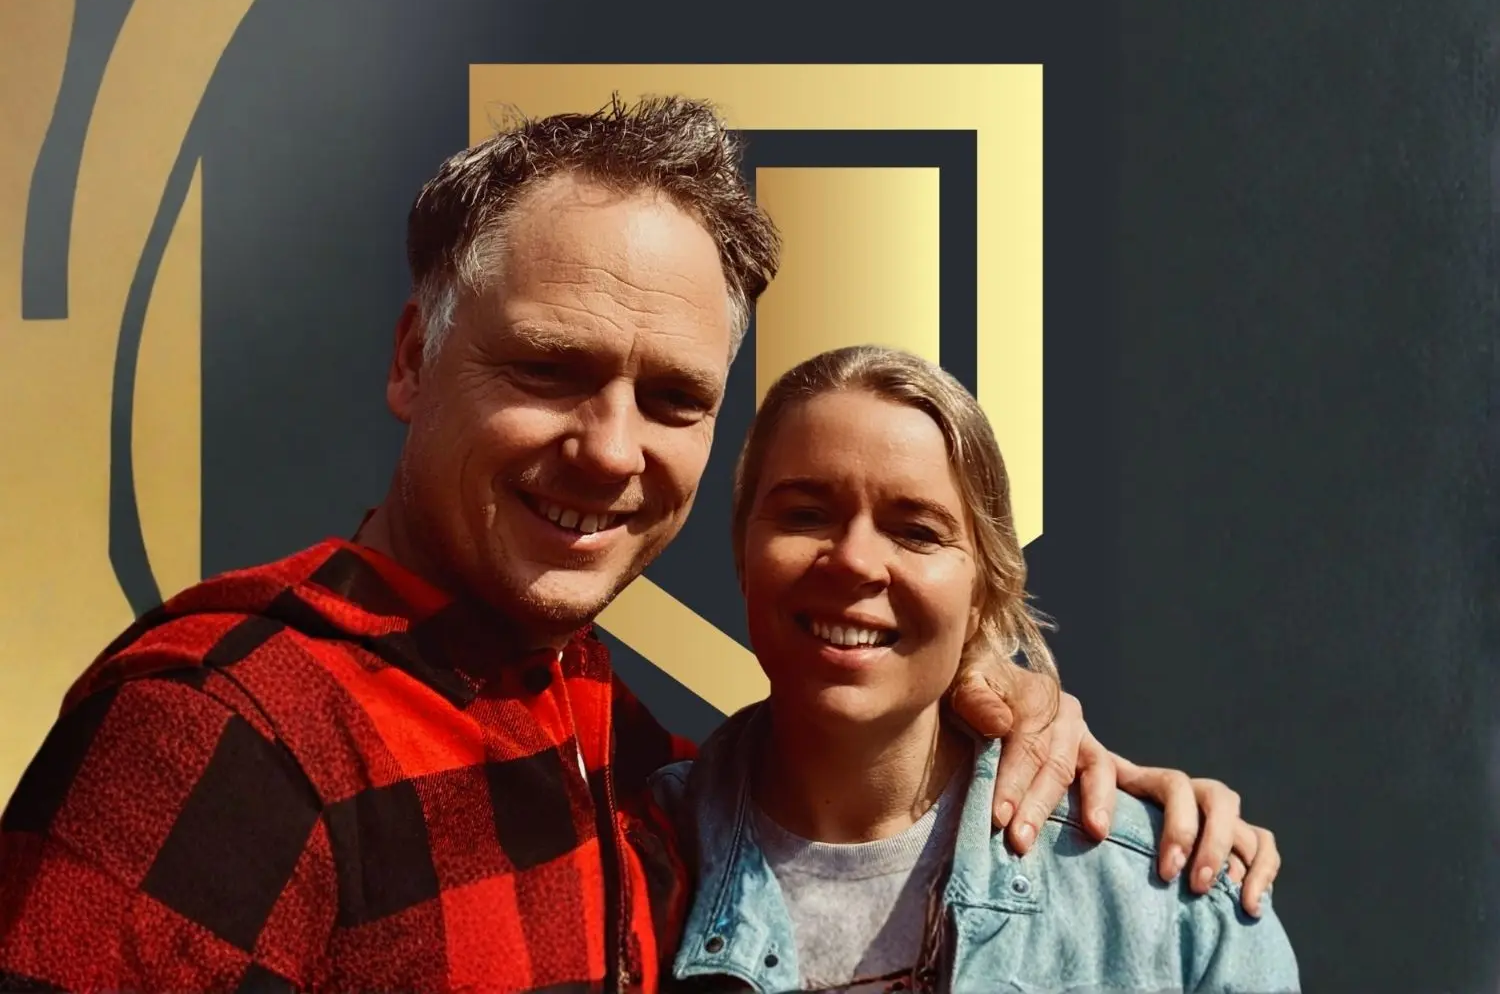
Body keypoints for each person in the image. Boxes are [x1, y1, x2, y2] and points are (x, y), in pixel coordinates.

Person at [0, 98, 1278, 992]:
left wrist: (1020, 710)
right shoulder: (223, 731)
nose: (612, 450)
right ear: (411, 359)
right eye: (551, 370)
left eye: (672, 399)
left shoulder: (625, 761)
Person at [653, 345, 1299, 993]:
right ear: (743, 552)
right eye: (806, 515)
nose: (854, 561)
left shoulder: (1176, 907)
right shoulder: (630, 862)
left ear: (982, 592)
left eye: (916, 531)